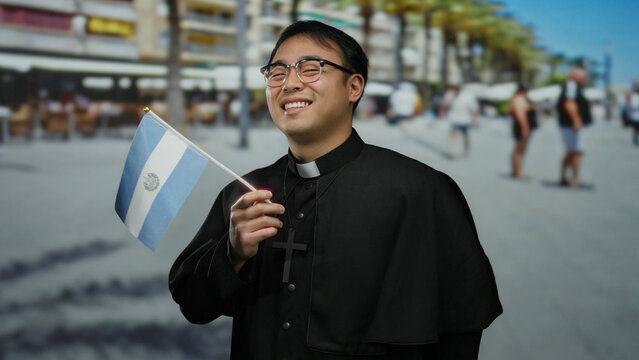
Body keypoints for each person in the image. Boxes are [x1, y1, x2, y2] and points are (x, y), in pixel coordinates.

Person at [169, 21, 502, 360]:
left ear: (354, 87)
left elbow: (462, 326)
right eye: (277, 73)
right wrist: (234, 253)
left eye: (311, 69)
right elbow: (194, 305)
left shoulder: (421, 190)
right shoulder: (246, 193)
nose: (290, 83)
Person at [557, 68, 592, 187]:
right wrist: (576, 119)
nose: (585, 79)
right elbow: (569, 103)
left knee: (572, 151)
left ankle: (564, 177)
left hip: (569, 125)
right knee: (576, 151)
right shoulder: (572, 86)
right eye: (583, 77)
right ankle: (575, 178)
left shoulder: (572, 86)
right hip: (571, 126)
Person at [439, 85, 480, 159]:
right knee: (453, 136)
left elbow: (475, 109)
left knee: (465, 136)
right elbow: (445, 104)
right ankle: (451, 152)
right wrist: (443, 109)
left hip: (465, 120)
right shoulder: (450, 95)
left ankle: (466, 151)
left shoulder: (468, 97)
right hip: (455, 119)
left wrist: (475, 119)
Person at [509, 83, 537, 179]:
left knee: (521, 149)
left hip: (522, 126)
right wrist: (525, 127)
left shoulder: (520, 99)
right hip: (521, 127)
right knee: (520, 149)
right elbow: (520, 114)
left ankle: (517, 170)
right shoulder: (519, 99)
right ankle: (517, 171)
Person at [623, 78, 639, 146]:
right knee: (636, 129)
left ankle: (635, 138)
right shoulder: (633, 96)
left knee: (636, 129)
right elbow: (631, 106)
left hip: (636, 116)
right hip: (635, 117)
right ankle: (635, 139)